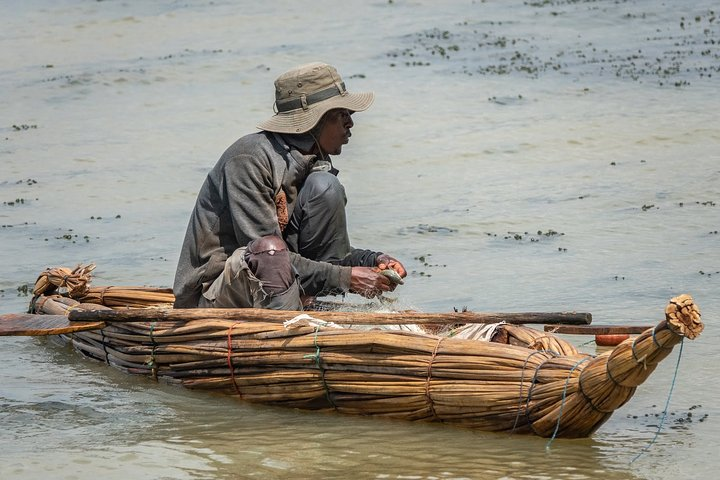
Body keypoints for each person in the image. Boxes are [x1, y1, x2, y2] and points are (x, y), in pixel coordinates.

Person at [173, 62, 406, 310]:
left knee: (325, 188)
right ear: (314, 120)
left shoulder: (315, 163)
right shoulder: (250, 160)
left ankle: (304, 307)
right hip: (213, 294)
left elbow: (327, 257)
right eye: (342, 115)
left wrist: (374, 260)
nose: (350, 124)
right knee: (271, 250)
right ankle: (287, 329)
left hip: (278, 282)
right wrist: (348, 278)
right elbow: (268, 258)